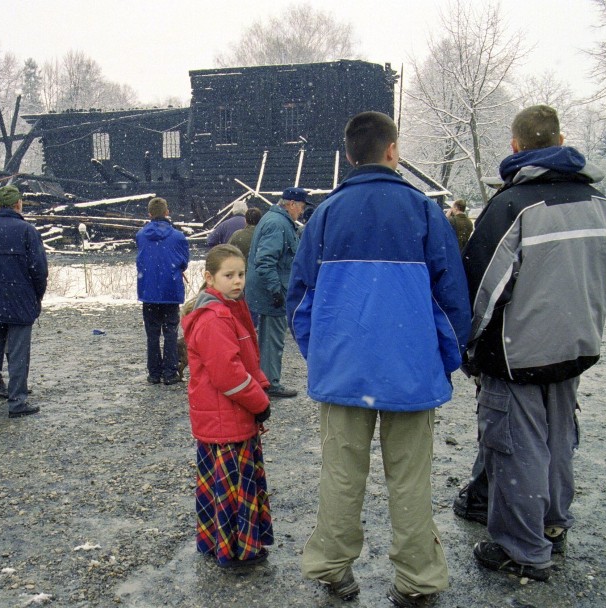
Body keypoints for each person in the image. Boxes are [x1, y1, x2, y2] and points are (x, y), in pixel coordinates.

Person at [287, 111, 471, 605]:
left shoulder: (324, 215)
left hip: (344, 371)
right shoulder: (425, 212)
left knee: (341, 475)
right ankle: (417, 580)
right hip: (410, 374)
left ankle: (332, 569)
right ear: (393, 151)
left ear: (350, 156)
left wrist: (322, 355)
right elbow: (452, 300)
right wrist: (443, 360)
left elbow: (299, 299)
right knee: (410, 481)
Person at [459, 105, 606, 582]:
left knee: (516, 446)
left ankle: (522, 549)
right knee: (559, 439)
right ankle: (551, 525)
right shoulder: (598, 203)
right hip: (574, 345)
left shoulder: (512, 206)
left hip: (518, 352)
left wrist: (470, 350)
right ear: (561, 139)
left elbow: (480, 291)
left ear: (515, 147)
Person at [182, 244, 273, 568]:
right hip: (226, 418)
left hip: (229, 415)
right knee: (233, 489)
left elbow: (246, 360)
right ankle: (237, 549)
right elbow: (228, 374)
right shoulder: (214, 317)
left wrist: (261, 385)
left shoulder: (230, 308)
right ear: (209, 278)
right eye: (229, 275)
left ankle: (219, 542)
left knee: (227, 488)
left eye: (241, 275)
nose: (237, 281)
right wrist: (259, 401)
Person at [0, 185, 48, 419]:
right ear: (18, 204)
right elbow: (39, 270)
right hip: (20, 302)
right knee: (18, 355)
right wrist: (36, 296)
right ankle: (16, 402)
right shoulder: (27, 231)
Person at [246, 187, 309, 399]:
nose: (301, 212)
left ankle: (264, 380)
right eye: (300, 207)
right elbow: (265, 262)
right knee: (272, 340)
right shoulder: (278, 224)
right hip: (271, 293)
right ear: (291, 204)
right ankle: (270, 383)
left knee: (266, 339)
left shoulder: (275, 221)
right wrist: (275, 291)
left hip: (266, 290)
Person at [135, 197, 190, 385]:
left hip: (149, 291)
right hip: (170, 290)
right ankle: (170, 372)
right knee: (170, 332)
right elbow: (184, 262)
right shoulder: (178, 237)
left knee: (152, 334)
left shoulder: (141, 235)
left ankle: (154, 372)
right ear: (167, 212)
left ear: (149, 214)